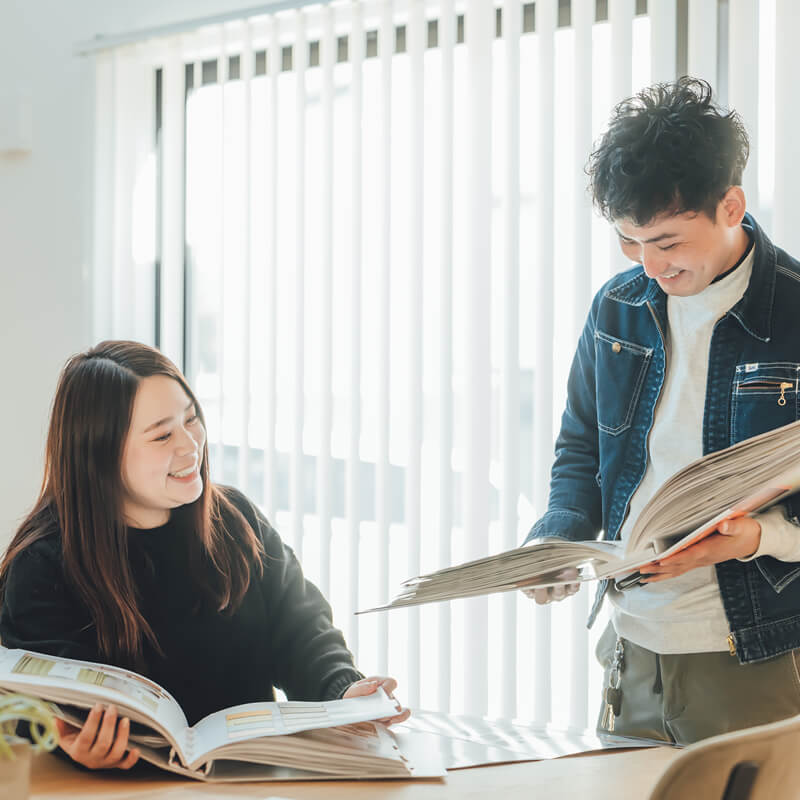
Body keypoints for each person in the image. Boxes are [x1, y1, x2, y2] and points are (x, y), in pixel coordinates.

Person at [521, 78, 800, 744]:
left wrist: (759, 537)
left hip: (755, 652)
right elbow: (581, 446)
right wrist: (555, 537)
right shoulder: (617, 309)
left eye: (668, 242)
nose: (648, 266)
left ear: (730, 205)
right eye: (628, 242)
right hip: (630, 645)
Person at [0, 340, 409, 771]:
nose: (190, 445)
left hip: (251, 782)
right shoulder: (41, 565)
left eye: (191, 419)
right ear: (100, 455)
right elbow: (29, 708)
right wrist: (67, 741)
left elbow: (303, 634)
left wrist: (346, 693)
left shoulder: (237, 521)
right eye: (162, 435)